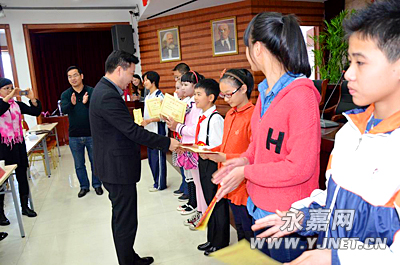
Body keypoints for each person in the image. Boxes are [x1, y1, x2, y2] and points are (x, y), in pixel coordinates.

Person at [252, 1, 400, 264]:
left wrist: (336, 257)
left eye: (360, 63)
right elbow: (338, 208)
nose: (348, 74)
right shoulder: (350, 133)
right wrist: (299, 218)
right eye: (349, 61)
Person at [212, 12, 321, 263]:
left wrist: (247, 173)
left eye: (247, 47)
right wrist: (242, 161)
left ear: (258, 48)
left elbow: (300, 168)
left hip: (289, 218)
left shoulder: (300, 97)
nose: (247, 54)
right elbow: (257, 146)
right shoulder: (264, 94)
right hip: (259, 208)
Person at [89, 50, 179, 265]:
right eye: (130, 73)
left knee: (122, 217)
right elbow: (131, 131)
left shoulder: (104, 90)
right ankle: (127, 262)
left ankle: (129, 257)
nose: (132, 79)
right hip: (116, 168)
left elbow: (123, 129)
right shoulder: (107, 95)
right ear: (119, 69)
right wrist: (167, 143)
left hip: (113, 165)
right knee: (125, 220)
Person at [201, 69, 255, 242]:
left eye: (229, 94)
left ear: (244, 89)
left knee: (248, 229)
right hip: (228, 180)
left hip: (244, 184)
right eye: (223, 95)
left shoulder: (253, 115)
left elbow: (253, 154)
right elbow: (225, 144)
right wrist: (210, 151)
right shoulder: (230, 114)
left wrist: (224, 157)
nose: (226, 99)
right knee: (239, 226)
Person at [193, 79, 227, 255]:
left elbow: (220, 148)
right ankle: (211, 238)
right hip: (203, 162)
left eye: (199, 94)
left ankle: (220, 241)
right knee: (209, 203)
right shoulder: (203, 117)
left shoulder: (215, 120)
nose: (195, 97)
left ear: (211, 97)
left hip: (213, 165)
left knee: (217, 204)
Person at [165, 71, 207, 217]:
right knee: (195, 181)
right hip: (186, 146)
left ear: (195, 85)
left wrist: (178, 127)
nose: (182, 88)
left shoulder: (196, 105)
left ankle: (202, 212)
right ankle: (199, 210)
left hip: (194, 147)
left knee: (200, 184)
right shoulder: (187, 103)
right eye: (181, 85)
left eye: (185, 84)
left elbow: (196, 129)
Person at [0, 78, 41, 224]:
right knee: (3, 182)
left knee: (22, 176)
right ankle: (0, 214)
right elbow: (1, 109)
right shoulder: (2, 104)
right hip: (3, 149)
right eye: (6, 88)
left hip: (18, 145)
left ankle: (25, 206)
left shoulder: (16, 105)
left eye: (11, 88)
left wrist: (33, 99)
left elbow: (35, 111)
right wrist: (9, 97)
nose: (10, 91)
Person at [61, 66, 103, 198]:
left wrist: (87, 103)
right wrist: (72, 104)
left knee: (95, 161)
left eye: (75, 75)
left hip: (92, 133)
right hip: (74, 135)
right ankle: (84, 186)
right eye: (70, 76)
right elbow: (64, 110)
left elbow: (98, 109)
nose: (73, 78)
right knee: (79, 164)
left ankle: (97, 185)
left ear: (81, 76)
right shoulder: (66, 94)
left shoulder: (91, 91)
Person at [141, 71, 168, 192]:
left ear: (153, 81)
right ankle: (155, 181)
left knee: (158, 158)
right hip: (149, 131)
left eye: (146, 80)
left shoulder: (160, 97)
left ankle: (161, 184)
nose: (144, 82)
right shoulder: (148, 97)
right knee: (152, 158)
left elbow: (163, 116)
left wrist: (149, 120)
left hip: (158, 131)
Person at [171, 63, 191, 200]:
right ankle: (185, 186)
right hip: (178, 132)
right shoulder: (181, 98)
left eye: (177, 77)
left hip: (186, 135)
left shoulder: (191, 101)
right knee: (181, 162)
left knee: (188, 165)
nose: (176, 81)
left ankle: (188, 190)